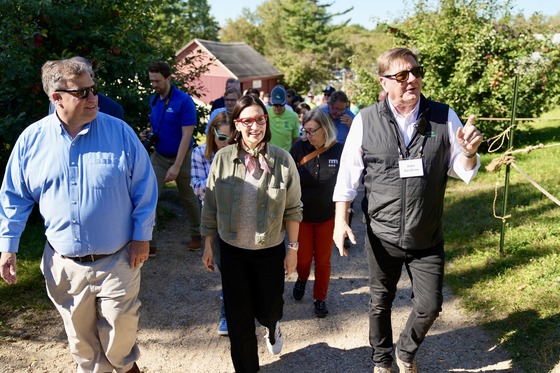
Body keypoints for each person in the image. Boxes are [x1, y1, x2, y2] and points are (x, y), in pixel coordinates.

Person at [0, 58, 157, 373]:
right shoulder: (31, 142)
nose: (93, 98)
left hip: (119, 261)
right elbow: (14, 196)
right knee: (84, 350)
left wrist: (142, 237)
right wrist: (8, 245)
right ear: (57, 97)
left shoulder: (120, 134)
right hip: (65, 266)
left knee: (119, 343)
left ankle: (125, 367)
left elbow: (145, 188)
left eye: (94, 90)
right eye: (83, 93)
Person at [332, 47, 482, 373]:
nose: (412, 79)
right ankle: (382, 362)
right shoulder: (366, 120)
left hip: (426, 232)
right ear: (384, 82)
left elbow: (463, 169)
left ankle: (405, 350)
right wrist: (341, 221)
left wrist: (468, 152)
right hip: (382, 232)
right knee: (379, 302)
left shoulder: (442, 116)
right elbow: (348, 175)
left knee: (430, 306)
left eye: (416, 71)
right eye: (401, 75)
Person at [201, 95, 302, 373]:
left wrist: (292, 250)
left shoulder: (283, 160)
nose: (254, 126)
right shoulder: (222, 158)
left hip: (270, 249)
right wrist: (209, 245)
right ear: (237, 124)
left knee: (269, 308)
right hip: (232, 250)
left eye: (260, 119)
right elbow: (210, 205)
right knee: (238, 320)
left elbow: (294, 209)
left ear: (266, 122)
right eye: (247, 120)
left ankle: (273, 326)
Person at [289, 108, 343, 318]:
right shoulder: (299, 148)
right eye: (306, 131)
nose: (308, 136)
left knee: (323, 261)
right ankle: (302, 278)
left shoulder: (339, 151)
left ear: (325, 128)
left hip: (327, 216)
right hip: (301, 217)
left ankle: (319, 298)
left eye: (312, 131)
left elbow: (347, 182)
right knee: (302, 260)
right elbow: (285, 178)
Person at [144, 61, 201, 256]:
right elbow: (157, 125)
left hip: (183, 156)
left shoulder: (184, 102)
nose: (154, 85)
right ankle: (149, 240)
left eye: (157, 81)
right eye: (151, 81)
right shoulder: (154, 99)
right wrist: (148, 133)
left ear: (169, 78)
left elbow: (187, 135)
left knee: (189, 197)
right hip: (159, 156)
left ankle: (197, 234)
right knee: (149, 197)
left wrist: (177, 166)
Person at [191, 111, 232, 336]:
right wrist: (219, 169)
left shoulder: (240, 153)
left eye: (232, 138)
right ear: (212, 134)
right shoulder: (199, 154)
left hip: (237, 216)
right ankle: (227, 313)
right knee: (224, 266)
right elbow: (197, 189)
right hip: (212, 216)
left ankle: (233, 309)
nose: (227, 143)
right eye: (222, 138)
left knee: (235, 266)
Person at [48, 56, 124, 120]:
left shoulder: (113, 109)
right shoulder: (56, 101)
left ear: (92, 75)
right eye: (73, 74)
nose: (92, 98)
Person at [267, 85, 300, 151]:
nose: (278, 108)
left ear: (285, 102)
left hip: (286, 155)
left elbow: (295, 138)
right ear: (271, 102)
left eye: (281, 105)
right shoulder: (265, 113)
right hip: (269, 154)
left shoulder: (294, 116)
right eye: (275, 105)